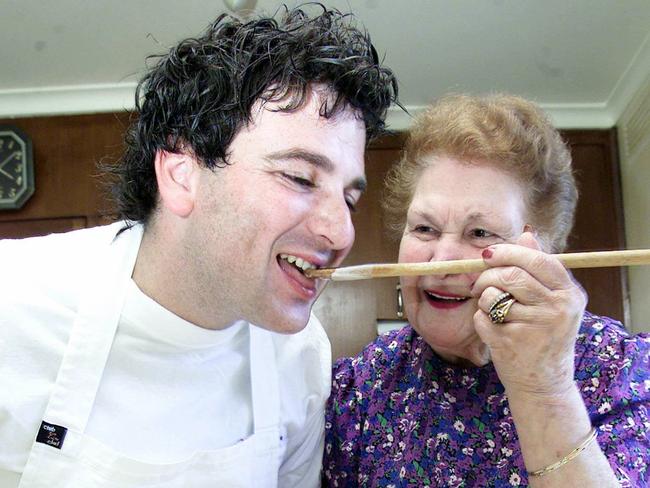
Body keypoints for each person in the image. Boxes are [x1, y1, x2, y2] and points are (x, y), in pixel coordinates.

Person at [0, 5, 398, 487]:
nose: (341, 234)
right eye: (299, 177)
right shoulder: (12, 301)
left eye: (350, 199)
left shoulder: (300, 357)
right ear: (180, 174)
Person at [323, 94, 649, 487]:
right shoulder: (358, 389)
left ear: (539, 252)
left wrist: (543, 385)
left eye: (480, 233)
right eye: (424, 228)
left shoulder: (622, 369)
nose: (440, 261)